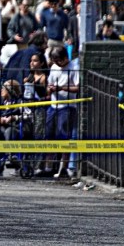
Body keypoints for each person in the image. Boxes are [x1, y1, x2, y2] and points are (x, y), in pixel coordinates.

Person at [0, 79, 31, 177]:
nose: (1, 90)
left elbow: (29, 115)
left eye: (3, 88)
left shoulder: (19, 102)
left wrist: (14, 117)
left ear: (10, 90)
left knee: (9, 131)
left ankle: (11, 156)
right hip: (0, 126)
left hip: (14, 127)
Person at [45, 46, 80, 179]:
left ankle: (63, 166)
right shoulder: (54, 68)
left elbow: (77, 87)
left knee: (64, 135)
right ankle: (49, 165)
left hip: (67, 106)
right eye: (55, 61)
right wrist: (50, 89)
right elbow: (49, 84)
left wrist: (61, 88)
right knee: (49, 134)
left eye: (59, 60)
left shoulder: (73, 67)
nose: (57, 63)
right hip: (53, 105)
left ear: (65, 58)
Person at [24, 52, 50, 177]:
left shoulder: (44, 77)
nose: (32, 63)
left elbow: (48, 96)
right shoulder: (29, 77)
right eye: (31, 60)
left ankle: (38, 165)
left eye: (35, 60)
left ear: (41, 63)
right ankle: (27, 164)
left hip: (40, 108)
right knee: (28, 135)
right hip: (29, 109)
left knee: (39, 135)